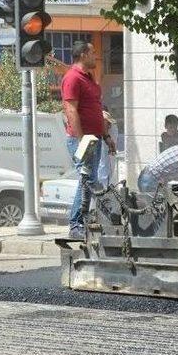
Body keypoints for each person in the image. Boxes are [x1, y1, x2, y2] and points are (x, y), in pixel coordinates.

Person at [62, 41, 116, 239]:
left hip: (95, 139)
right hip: (82, 140)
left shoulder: (90, 80)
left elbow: (97, 111)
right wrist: (81, 140)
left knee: (89, 180)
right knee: (87, 180)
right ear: (83, 55)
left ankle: (82, 221)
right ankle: (76, 224)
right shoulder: (72, 78)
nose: (97, 56)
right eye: (93, 52)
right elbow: (70, 110)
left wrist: (106, 135)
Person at [97, 110, 118, 188]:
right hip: (106, 146)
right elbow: (104, 120)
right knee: (105, 166)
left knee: (107, 166)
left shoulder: (108, 118)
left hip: (108, 146)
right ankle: (104, 186)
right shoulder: (104, 116)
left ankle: (104, 185)